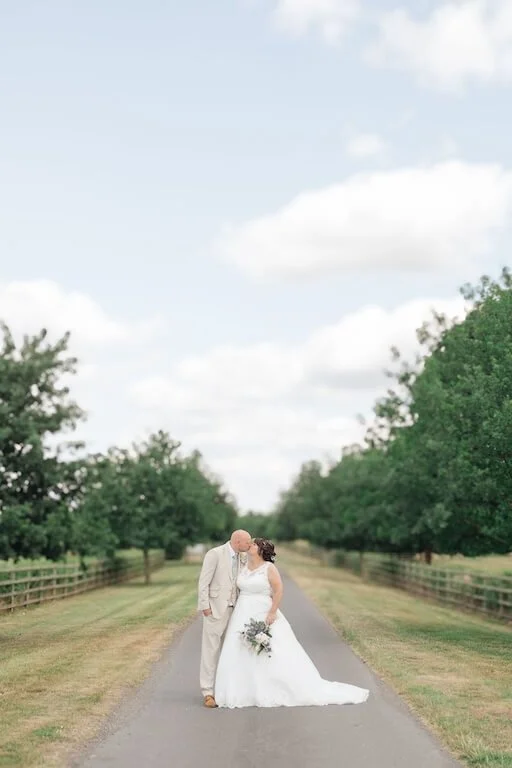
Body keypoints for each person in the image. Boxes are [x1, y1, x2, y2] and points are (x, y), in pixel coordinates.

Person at [214, 537, 370, 708]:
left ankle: (272, 687)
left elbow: (279, 589)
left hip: (263, 610)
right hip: (242, 611)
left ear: (260, 550)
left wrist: (273, 611)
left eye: (253, 544)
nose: (250, 545)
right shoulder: (243, 566)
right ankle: (242, 689)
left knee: (270, 650)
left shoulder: (269, 568)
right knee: (239, 648)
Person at [197, 529, 252, 708]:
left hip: (235, 610)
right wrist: (205, 607)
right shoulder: (215, 554)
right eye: (247, 542)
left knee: (231, 650)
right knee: (210, 650)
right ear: (237, 541)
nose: (250, 545)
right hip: (215, 609)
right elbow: (203, 582)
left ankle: (228, 688)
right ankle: (207, 692)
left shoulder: (243, 557)